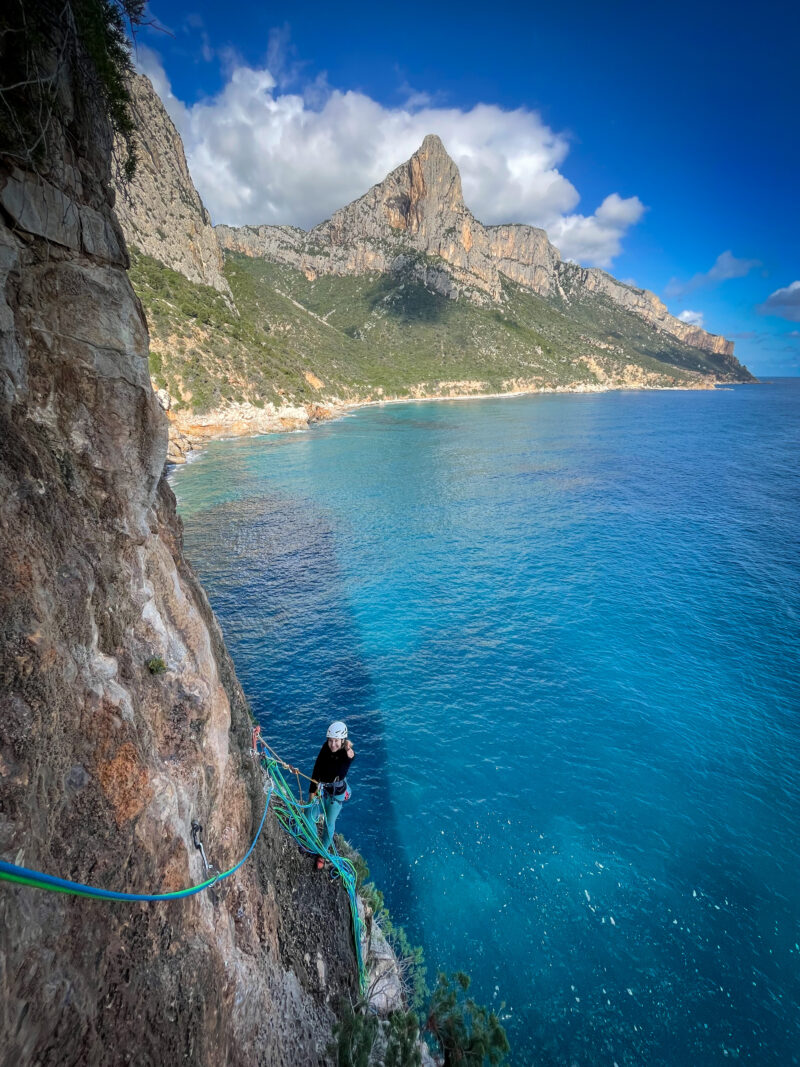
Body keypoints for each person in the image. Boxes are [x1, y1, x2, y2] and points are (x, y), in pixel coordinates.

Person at [308, 721, 355, 869]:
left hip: (336, 795)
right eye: (330, 740)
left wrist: (348, 750)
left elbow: (349, 758)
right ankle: (313, 842)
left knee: (329, 824)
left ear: (342, 741)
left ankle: (321, 852)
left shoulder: (345, 755)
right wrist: (312, 791)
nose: (332, 744)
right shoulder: (325, 748)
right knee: (308, 814)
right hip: (322, 789)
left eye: (336, 741)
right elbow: (316, 769)